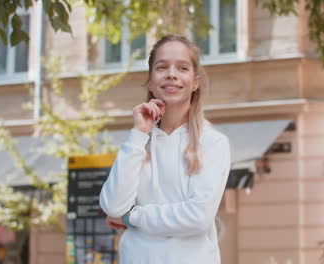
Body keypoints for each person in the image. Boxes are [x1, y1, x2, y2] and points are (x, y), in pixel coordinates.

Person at [99, 34, 231, 264]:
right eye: (162, 67)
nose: (171, 74)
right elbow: (112, 205)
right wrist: (139, 133)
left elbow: (197, 217)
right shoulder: (137, 142)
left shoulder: (212, 142)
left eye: (182, 67)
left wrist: (133, 217)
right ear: (150, 81)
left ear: (195, 82)